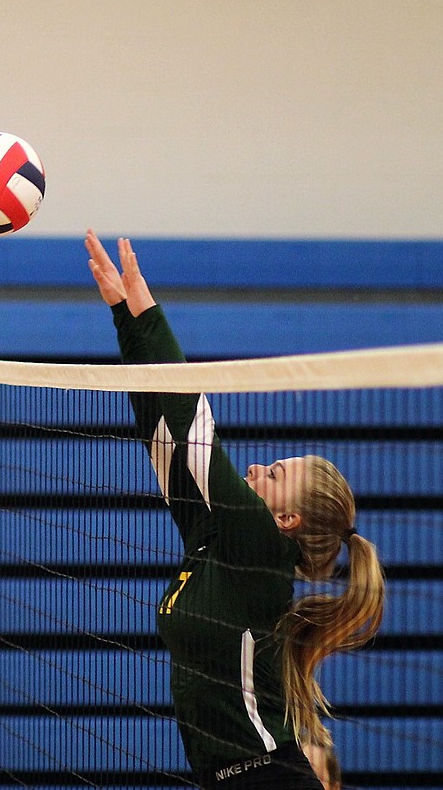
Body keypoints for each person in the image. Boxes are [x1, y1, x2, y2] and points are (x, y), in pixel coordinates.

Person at [84, 231, 385, 789]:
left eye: (273, 475)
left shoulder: (263, 549)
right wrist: (124, 316)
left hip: (268, 779)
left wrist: (148, 312)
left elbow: (195, 434)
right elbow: (163, 437)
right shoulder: (215, 539)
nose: (254, 471)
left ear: (288, 521)